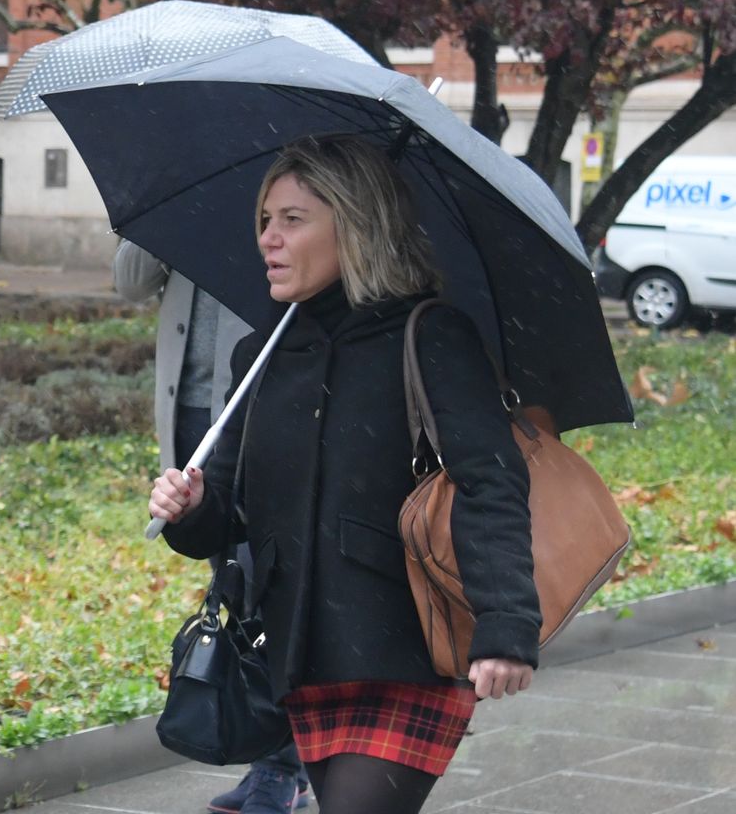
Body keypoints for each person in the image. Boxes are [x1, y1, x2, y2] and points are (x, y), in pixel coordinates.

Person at [148, 134, 539, 814]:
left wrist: (505, 625)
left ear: (357, 225)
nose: (269, 238)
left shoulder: (429, 337)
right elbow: (230, 514)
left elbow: (491, 483)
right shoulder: (263, 353)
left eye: (292, 220)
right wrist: (192, 506)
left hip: (407, 648)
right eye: (265, 221)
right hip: (300, 653)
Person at [114, 240, 312, 813]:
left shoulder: (270, 209)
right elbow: (130, 281)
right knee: (234, 588)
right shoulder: (195, 196)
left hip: (255, 398)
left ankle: (281, 765)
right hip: (193, 412)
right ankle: (274, 759)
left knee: (264, 591)